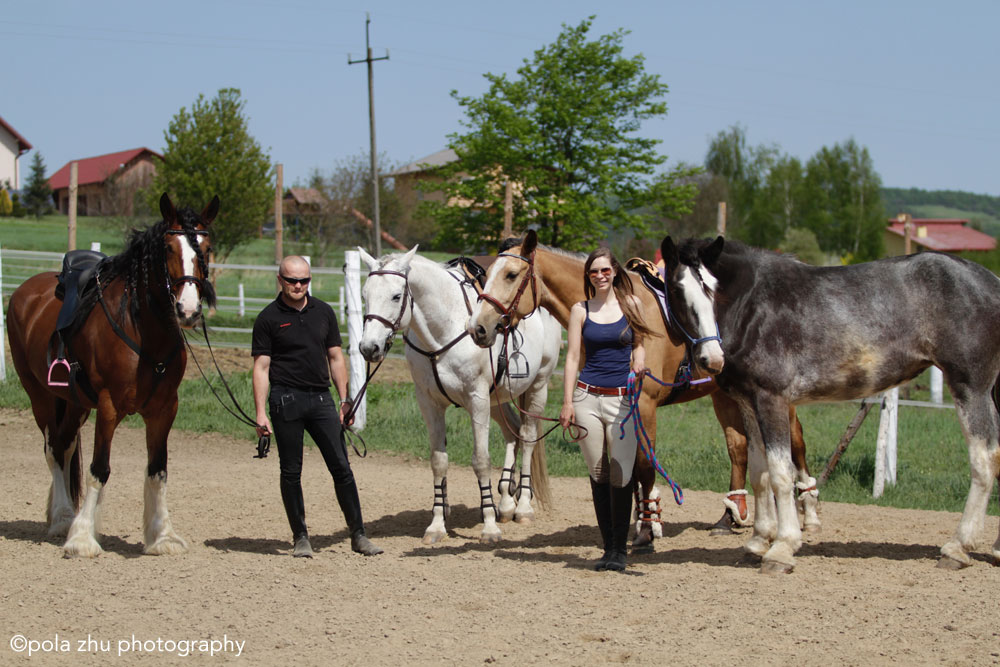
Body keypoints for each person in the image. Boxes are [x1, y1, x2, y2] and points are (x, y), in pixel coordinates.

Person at [252, 256, 382, 558]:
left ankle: (358, 535)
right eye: (292, 280)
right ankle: (300, 537)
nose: (298, 285)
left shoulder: (324, 312)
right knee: (290, 471)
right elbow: (261, 367)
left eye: (304, 280)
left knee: (342, 469)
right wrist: (260, 413)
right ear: (280, 280)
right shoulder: (268, 318)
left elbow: (335, 358)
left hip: (321, 400)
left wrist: (345, 399)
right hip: (286, 400)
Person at [558, 247, 654, 572]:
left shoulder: (631, 305)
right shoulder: (579, 310)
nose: (599, 276)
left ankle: (621, 552)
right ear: (588, 275)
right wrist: (568, 401)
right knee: (598, 474)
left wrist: (639, 356)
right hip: (587, 397)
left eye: (604, 270)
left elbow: (639, 342)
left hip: (622, 400)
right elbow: (572, 357)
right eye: (594, 271)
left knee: (621, 474)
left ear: (614, 272)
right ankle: (608, 548)